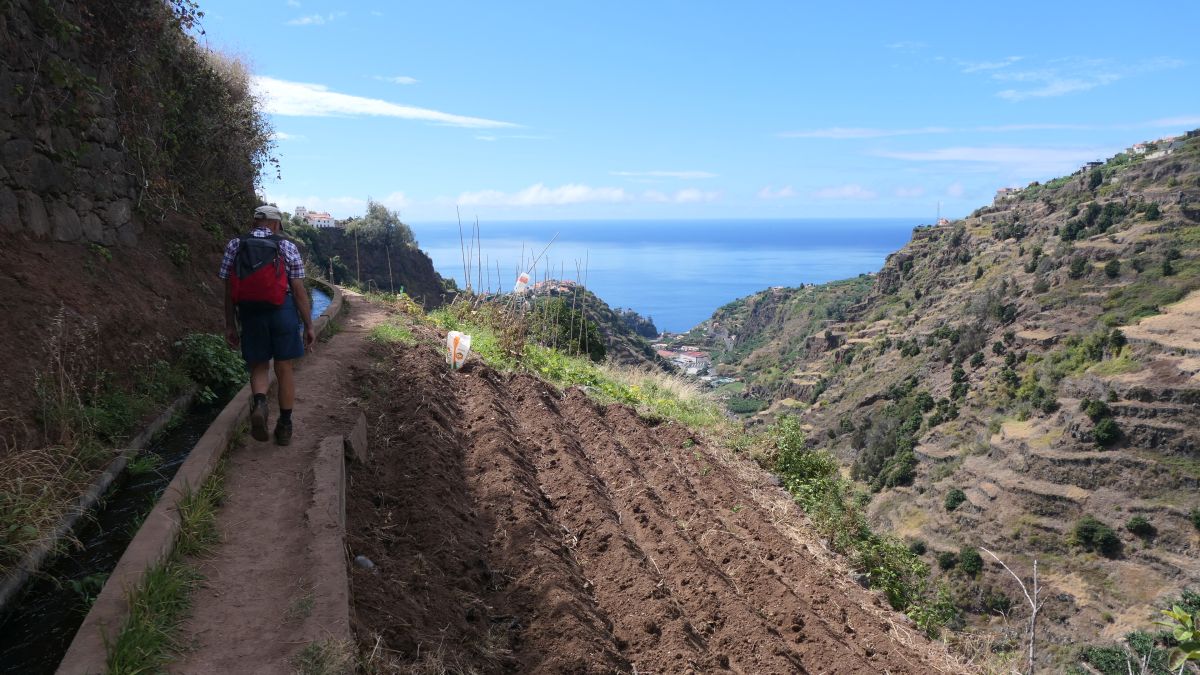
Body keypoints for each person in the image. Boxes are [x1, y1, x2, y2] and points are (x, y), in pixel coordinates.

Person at [218, 205, 315, 445]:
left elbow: (229, 289)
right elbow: (299, 290)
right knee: (284, 368)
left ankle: (260, 403)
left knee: (259, 365)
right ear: (274, 224)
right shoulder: (286, 246)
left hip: (250, 313)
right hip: (282, 310)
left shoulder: (235, 245)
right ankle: (284, 426)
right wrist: (309, 324)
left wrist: (230, 323)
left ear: (255, 222)